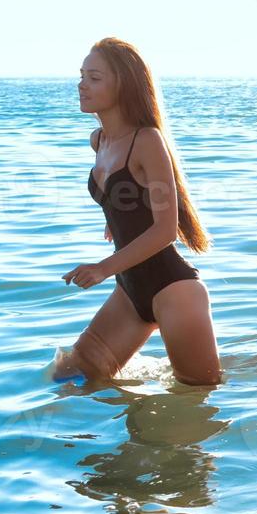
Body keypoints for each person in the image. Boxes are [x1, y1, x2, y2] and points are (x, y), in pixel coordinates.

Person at [52, 37, 222, 387]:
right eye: (82, 75)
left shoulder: (146, 140)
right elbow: (124, 195)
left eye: (94, 78)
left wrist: (102, 268)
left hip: (173, 290)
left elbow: (165, 230)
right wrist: (116, 220)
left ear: (123, 84)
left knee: (196, 399)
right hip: (130, 290)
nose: (81, 85)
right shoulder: (98, 141)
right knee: (70, 377)